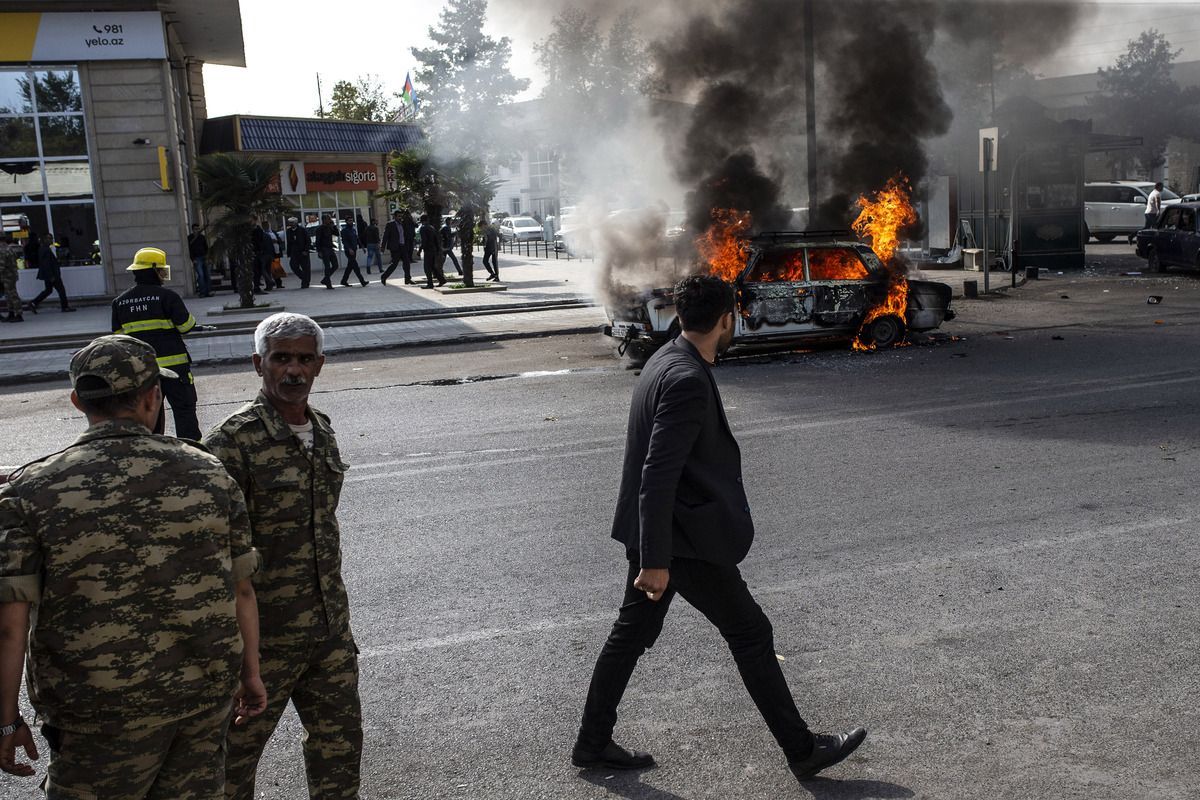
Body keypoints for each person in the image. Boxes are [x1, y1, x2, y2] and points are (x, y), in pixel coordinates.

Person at [572, 274, 867, 783]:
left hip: (659, 531)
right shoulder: (685, 379)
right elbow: (657, 473)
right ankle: (802, 750)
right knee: (751, 633)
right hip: (681, 541)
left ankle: (592, 742)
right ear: (726, 319)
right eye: (735, 319)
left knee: (630, 635)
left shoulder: (666, 357)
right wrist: (657, 561)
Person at [0, 334, 266, 795]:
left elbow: (10, 621)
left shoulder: (32, 489)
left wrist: (5, 721)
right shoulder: (209, 474)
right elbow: (241, 588)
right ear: (152, 397)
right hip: (200, 700)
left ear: (78, 401)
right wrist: (252, 674)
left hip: (97, 715)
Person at [203, 313, 363, 800]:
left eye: (304, 359)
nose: (293, 371)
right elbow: (212, 557)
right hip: (260, 639)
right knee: (233, 761)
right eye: (281, 359)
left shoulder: (323, 429)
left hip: (328, 629)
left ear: (320, 365)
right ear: (258, 364)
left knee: (340, 748)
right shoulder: (229, 444)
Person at [111, 247, 203, 440]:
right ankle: (193, 451)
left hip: (143, 372)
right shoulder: (167, 297)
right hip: (175, 369)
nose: (163, 274)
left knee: (149, 416)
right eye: (161, 270)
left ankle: (152, 452)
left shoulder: (120, 302)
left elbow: (119, 338)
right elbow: (185, 326)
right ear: (153, 271)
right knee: (184, 410)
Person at [30, 233, 75, 312]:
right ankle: (65, 307)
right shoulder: (45, 250)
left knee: (48, 290)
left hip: (49, 274)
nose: (51, 240)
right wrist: (51, 275)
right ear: (45, 240)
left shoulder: (45, 249)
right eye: (49, 239)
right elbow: (46, 264)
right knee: (61, 290)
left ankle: (33, 303)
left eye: (51, 239)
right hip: (52, 275)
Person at [380, 210, 411, 285]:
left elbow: (406, 235)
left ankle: (407, 279)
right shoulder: (390, 224)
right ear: (395, 217)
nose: (400, 218)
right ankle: (384, 277)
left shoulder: (403, 224)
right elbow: (385, 236)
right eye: (398, 216)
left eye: (401, 216)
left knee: (407, 263)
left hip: (403, 246)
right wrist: (383, 246)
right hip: (395, 247)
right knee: (394, 264)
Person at [417, 214, 445, 289]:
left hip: (428, 250)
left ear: (421, 221)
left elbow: (424, 241)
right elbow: (436, 240)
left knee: (427, 268)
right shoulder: (432, 228)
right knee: (432, 267)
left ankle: (430, 283)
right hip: (433, 250)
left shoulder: (423, 228)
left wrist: (420, 249)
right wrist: (438, 250)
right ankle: (441, 279)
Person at [1, 233, 23, 323]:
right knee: (9, 295)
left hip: (7, 276)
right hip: (12, 275)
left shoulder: (2, 250)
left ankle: (18, 314)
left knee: (12, 295)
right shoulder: (10, 249)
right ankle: (11, 313)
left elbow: (1, 266)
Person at [285, 216, 312, 288]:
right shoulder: (289, 231)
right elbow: (289, 242)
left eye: (293, 223)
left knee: (305, 268)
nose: (291, 224)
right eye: (290, 223)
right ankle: (303, 277)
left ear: (296, 223)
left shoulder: (302, 230)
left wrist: (306, 250)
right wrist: (289, 252)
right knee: (293, 266)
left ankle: (305, 283)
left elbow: (308, 240)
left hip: (303, 251)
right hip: (294, 252)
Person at [339, 218, 367, 287]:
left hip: (354, 250)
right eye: (349, 221)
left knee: (350, 267)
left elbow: (357, 239)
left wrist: (362, 246)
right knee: (355, 266)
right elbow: (344, 241)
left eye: (352, 221)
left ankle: (344, 280)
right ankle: (362, 281)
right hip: (349, 251)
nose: (351, 222)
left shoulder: (353, 230)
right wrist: (349, 249)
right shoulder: (344, 230)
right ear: (346, 222)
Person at [314, 215, 339, 290]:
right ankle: (328, 283)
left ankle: (325, 279)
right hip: (324, 249)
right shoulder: (320, 229)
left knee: (335, 265)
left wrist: (333, 226)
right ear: (324, 220)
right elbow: (317, 241)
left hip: (330, 248)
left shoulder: (330, 227)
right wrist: (319, 251)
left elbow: (337, 234)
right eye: (328, 219)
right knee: (327, 267)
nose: (330, 220)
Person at [189, 223, 212, 297]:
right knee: (201, 275)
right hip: (197, 258)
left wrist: (209, 258)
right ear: (192, 230)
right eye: (195, 229)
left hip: (204, 257)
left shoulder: (202, 237)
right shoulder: (190, 238)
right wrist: (193, 259)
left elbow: (206, 248)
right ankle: (202, 291)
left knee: (207, 274)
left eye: (198, 229)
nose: (197, 230)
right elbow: (189, 250)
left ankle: (208, 291)